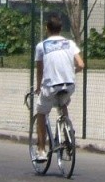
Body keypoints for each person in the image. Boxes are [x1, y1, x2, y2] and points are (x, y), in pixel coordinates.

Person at [33, 15, 84, 162]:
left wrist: (38, 88)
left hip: (50, 86)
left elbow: (39, 70)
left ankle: (41, 150)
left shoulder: (41, 46)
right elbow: (81, 64)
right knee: (63, 102)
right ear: (61, 29)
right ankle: (68, 132)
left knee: (41, 113)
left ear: (47, 29)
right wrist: (70, 72)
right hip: (69, 84)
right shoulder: (70, 43)